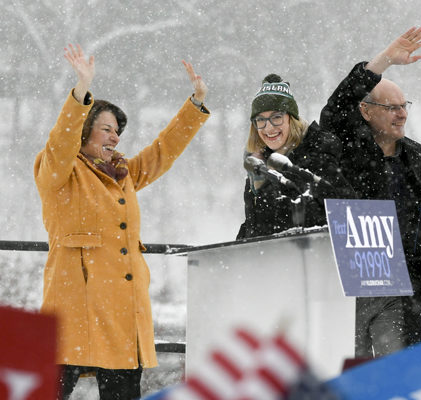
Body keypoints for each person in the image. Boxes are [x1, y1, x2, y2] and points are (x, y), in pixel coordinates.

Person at [34, 44, 210, 399]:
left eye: (118, 132)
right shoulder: (57, 172)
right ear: (83, 133)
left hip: (121, 312)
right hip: (73, 309)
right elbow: (60, 141)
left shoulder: (123, 173)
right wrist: (81, 90)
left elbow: (161, 152)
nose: (115, 138)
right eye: (106, 130)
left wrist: (195, 104)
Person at [319, 27, 421, 357]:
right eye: (392, 107)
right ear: (366, 111)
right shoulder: (345, 147)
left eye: (405, 106)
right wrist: (384, 61)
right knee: (353, 379)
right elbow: (336, 106)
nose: (402, 114)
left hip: (407, 290)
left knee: (400, 379)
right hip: (350, 285)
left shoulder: (420, 158)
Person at [237, 74, 355, 239]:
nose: (268, 128)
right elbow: (253, 225)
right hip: (270, 260)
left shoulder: (319, 153)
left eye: (276, 117)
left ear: (291, 119)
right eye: (260, 120)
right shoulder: (258, 164)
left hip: (313, 257)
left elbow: (344, 211)